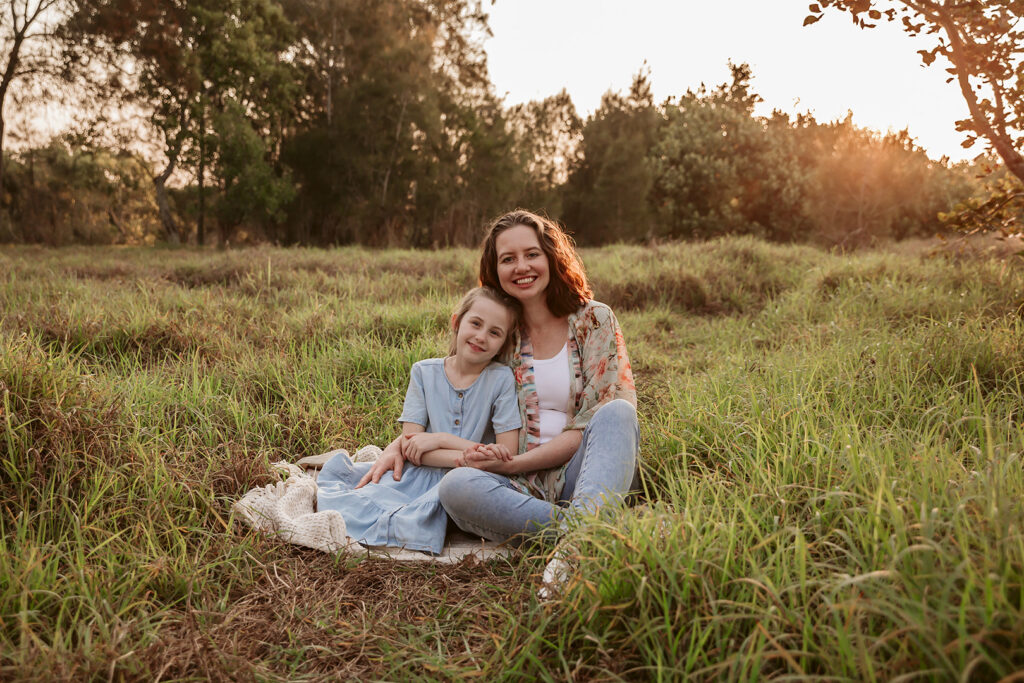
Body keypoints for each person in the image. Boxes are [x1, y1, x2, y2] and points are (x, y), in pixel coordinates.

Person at [360, 209, 639, 549]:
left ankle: (578, 541)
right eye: (508, 259)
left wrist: (514, 464)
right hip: (511, 488)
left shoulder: (594, 319)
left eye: (532, 254)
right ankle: (588, 531)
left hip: (582, 473)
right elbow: (454, 392)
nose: (522, 267)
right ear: (495, 270)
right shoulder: (498, 333)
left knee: (618, 413)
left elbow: (595, 419)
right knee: (456, 487)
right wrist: (399, 444)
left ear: (551, 257)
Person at [314, 286, 521, 555]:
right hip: (421, 474)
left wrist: (440, 439)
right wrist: (464, 454)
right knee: (360, 501)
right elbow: (412, 447)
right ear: (456, 322)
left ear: (503, 344)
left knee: (418, 517)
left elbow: (507, 452)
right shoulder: (424, 372)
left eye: (494, 332)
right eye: (476, 324)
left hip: (473, 480)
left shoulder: (502, 379)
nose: (481, 337)